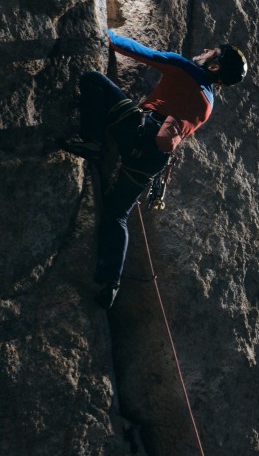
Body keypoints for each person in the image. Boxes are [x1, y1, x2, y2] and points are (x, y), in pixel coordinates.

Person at [62, 30, 248, 308]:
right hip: (154, 160)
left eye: (213, 52)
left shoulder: (184, 68)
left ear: (214, 66)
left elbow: (139, 51)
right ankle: (111, 282)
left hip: (138, 129)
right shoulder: (209, 104)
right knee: (117, 215)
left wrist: (101, 32)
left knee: (93, 80)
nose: (207, 49)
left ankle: (92, 142)